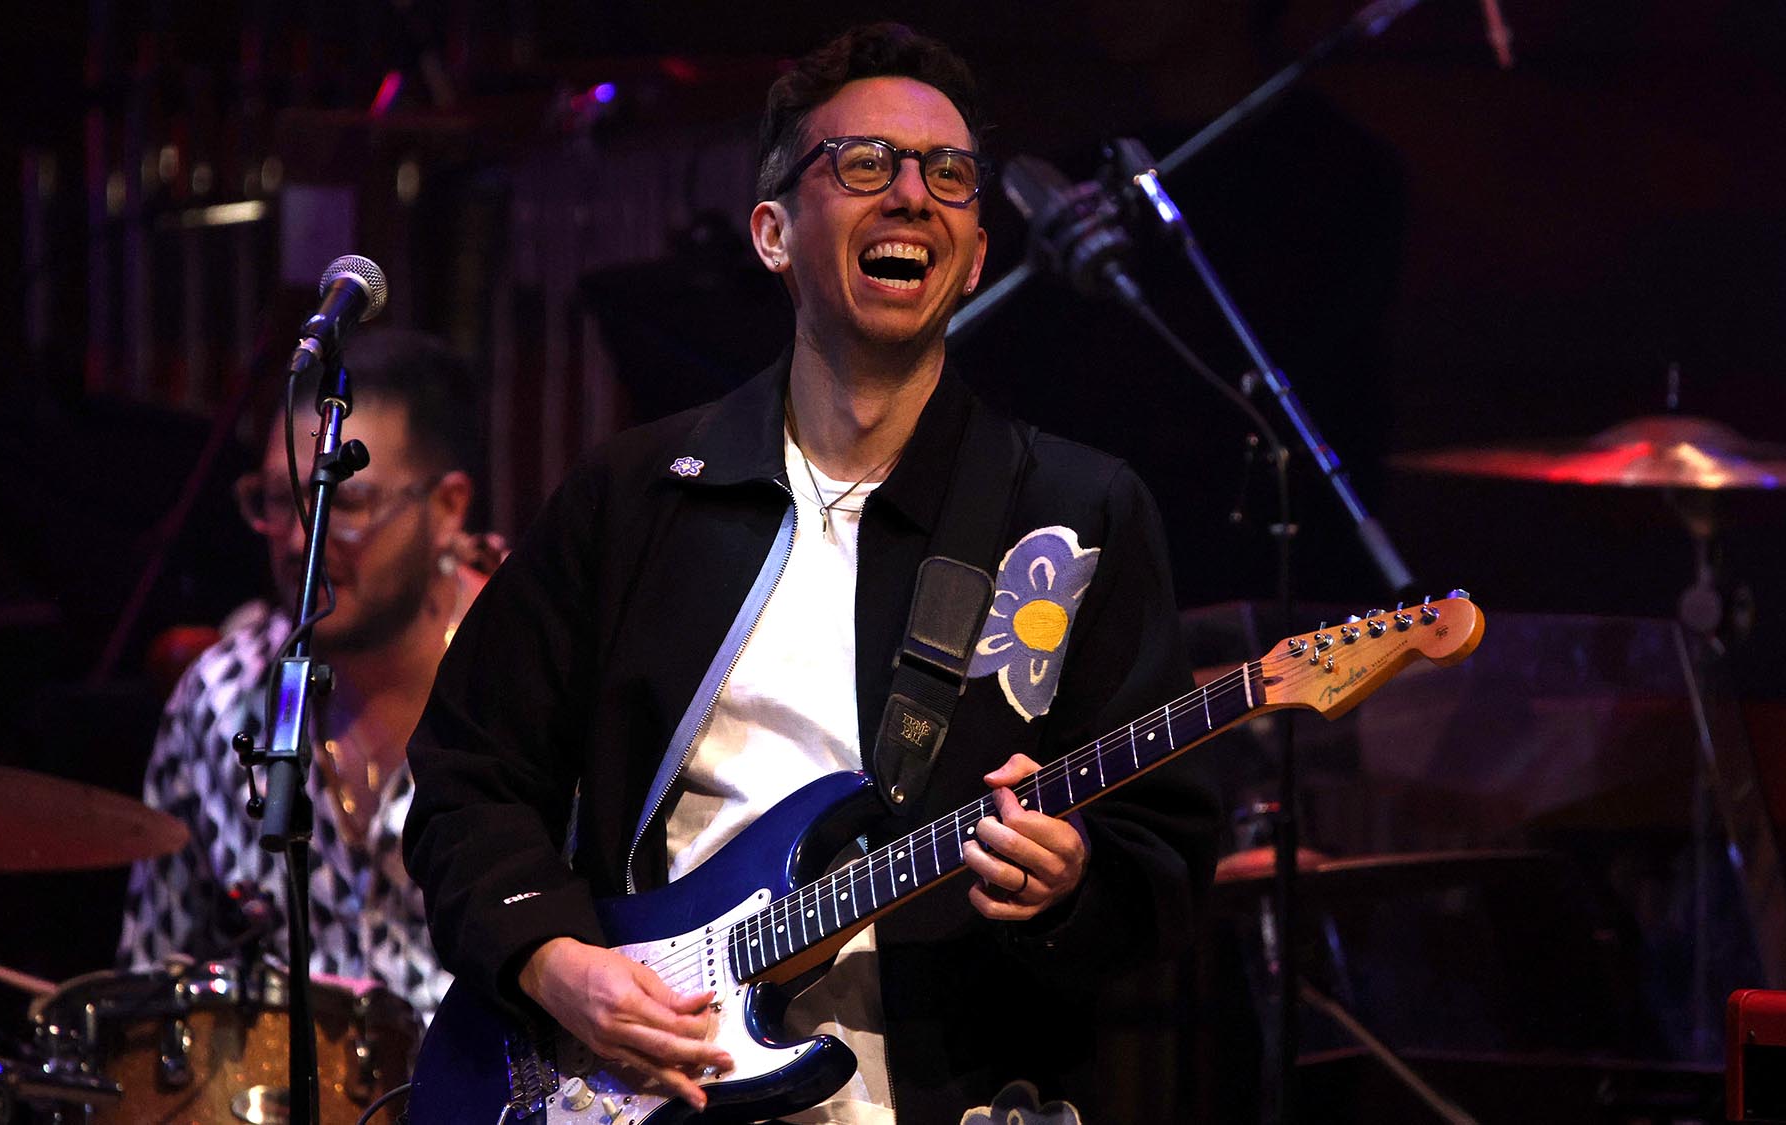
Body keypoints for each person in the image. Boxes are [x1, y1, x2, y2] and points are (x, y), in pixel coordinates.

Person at [405, 24, 1218, 1125]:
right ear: (774, 232)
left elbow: (1163, 857)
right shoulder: (643, 493)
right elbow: (469, 774)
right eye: (866, 164)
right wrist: (552, 961)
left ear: (976, 255)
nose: (912, 197)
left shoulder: (1075, 514)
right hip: (639, 1084)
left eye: (950, 175)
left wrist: (1071, 884)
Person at [118, 329, 496, 1023]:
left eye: (343, 505)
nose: (300, 539)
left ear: (446, 509)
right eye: (280, 498)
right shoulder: (219, 698)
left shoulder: (520, 687)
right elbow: (155, 988)